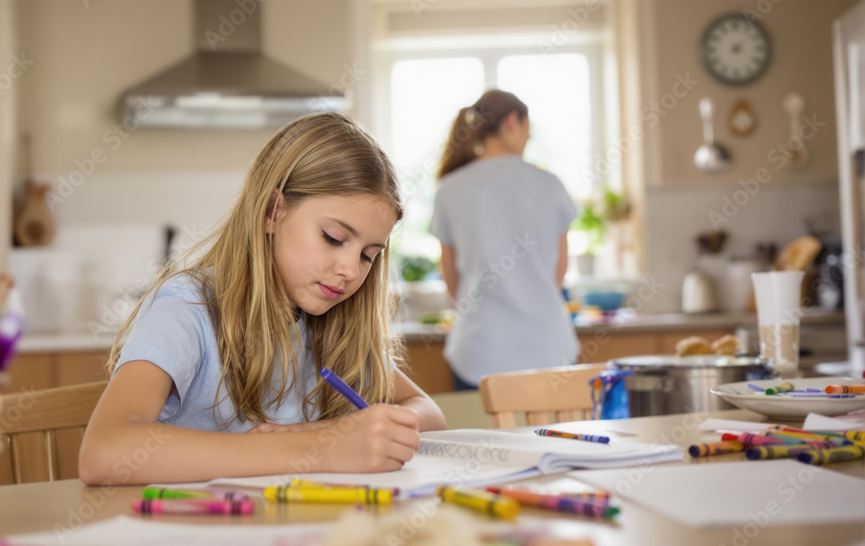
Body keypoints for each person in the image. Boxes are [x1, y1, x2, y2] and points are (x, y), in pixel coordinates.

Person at [80, 112, 446, 486]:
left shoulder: (334, 324)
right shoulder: (189, 307)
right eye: (334, 238)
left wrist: (346, 433)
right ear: (272, 212)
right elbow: (103, 452)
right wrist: (322, 447)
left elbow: (429, 413)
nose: (352, 270)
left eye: (369, 255)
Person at [429, 90, 580, 391]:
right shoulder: (550, 185)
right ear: (513, 121)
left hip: (478, 352)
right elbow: (558, 273)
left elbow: (451, 277)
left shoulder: (449, 188)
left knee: (480, 438)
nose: (527, 139)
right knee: (553, 438)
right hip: (548, 350)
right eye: (528, 130)